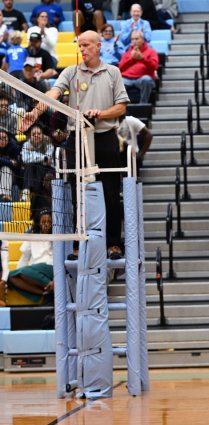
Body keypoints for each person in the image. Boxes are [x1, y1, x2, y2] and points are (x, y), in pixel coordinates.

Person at [22, 30, 128, 258]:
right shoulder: (71, 72)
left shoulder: (112, 72)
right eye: (80, 45)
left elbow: (121, 107)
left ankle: (114, 244)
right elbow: (53, 93)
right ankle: (78, 244)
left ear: (98, 46)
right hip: (77, 138)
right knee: (75, 193)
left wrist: (100, 114)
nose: (82, 49)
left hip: (104, 137)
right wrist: (35, 112)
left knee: (111, 193)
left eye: (87, 45)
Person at [4, 210, 53, 302]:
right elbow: (24, 258)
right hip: (34, 270)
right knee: (10, 276)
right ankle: (45, 293)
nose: (46, 224)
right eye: (43, 222)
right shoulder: (32, 236)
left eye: (49, 222)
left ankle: (50, 284)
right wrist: (18, 273)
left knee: (26, 270)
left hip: (50, 267)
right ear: (39, 223)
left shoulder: (58, 236)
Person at [119, 30, 158, 104]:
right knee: (116, 82)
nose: (134, 41)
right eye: (132, 39)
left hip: (142, 78)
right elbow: (120, 68)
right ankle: (121, 107)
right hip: (127, 79)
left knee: (146, 79)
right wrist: (132, 59)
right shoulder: (127, 52)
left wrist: (142, 59)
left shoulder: (151, 51)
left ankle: (143, 104)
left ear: (143, 40)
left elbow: (155, 67)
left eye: (137, 39)